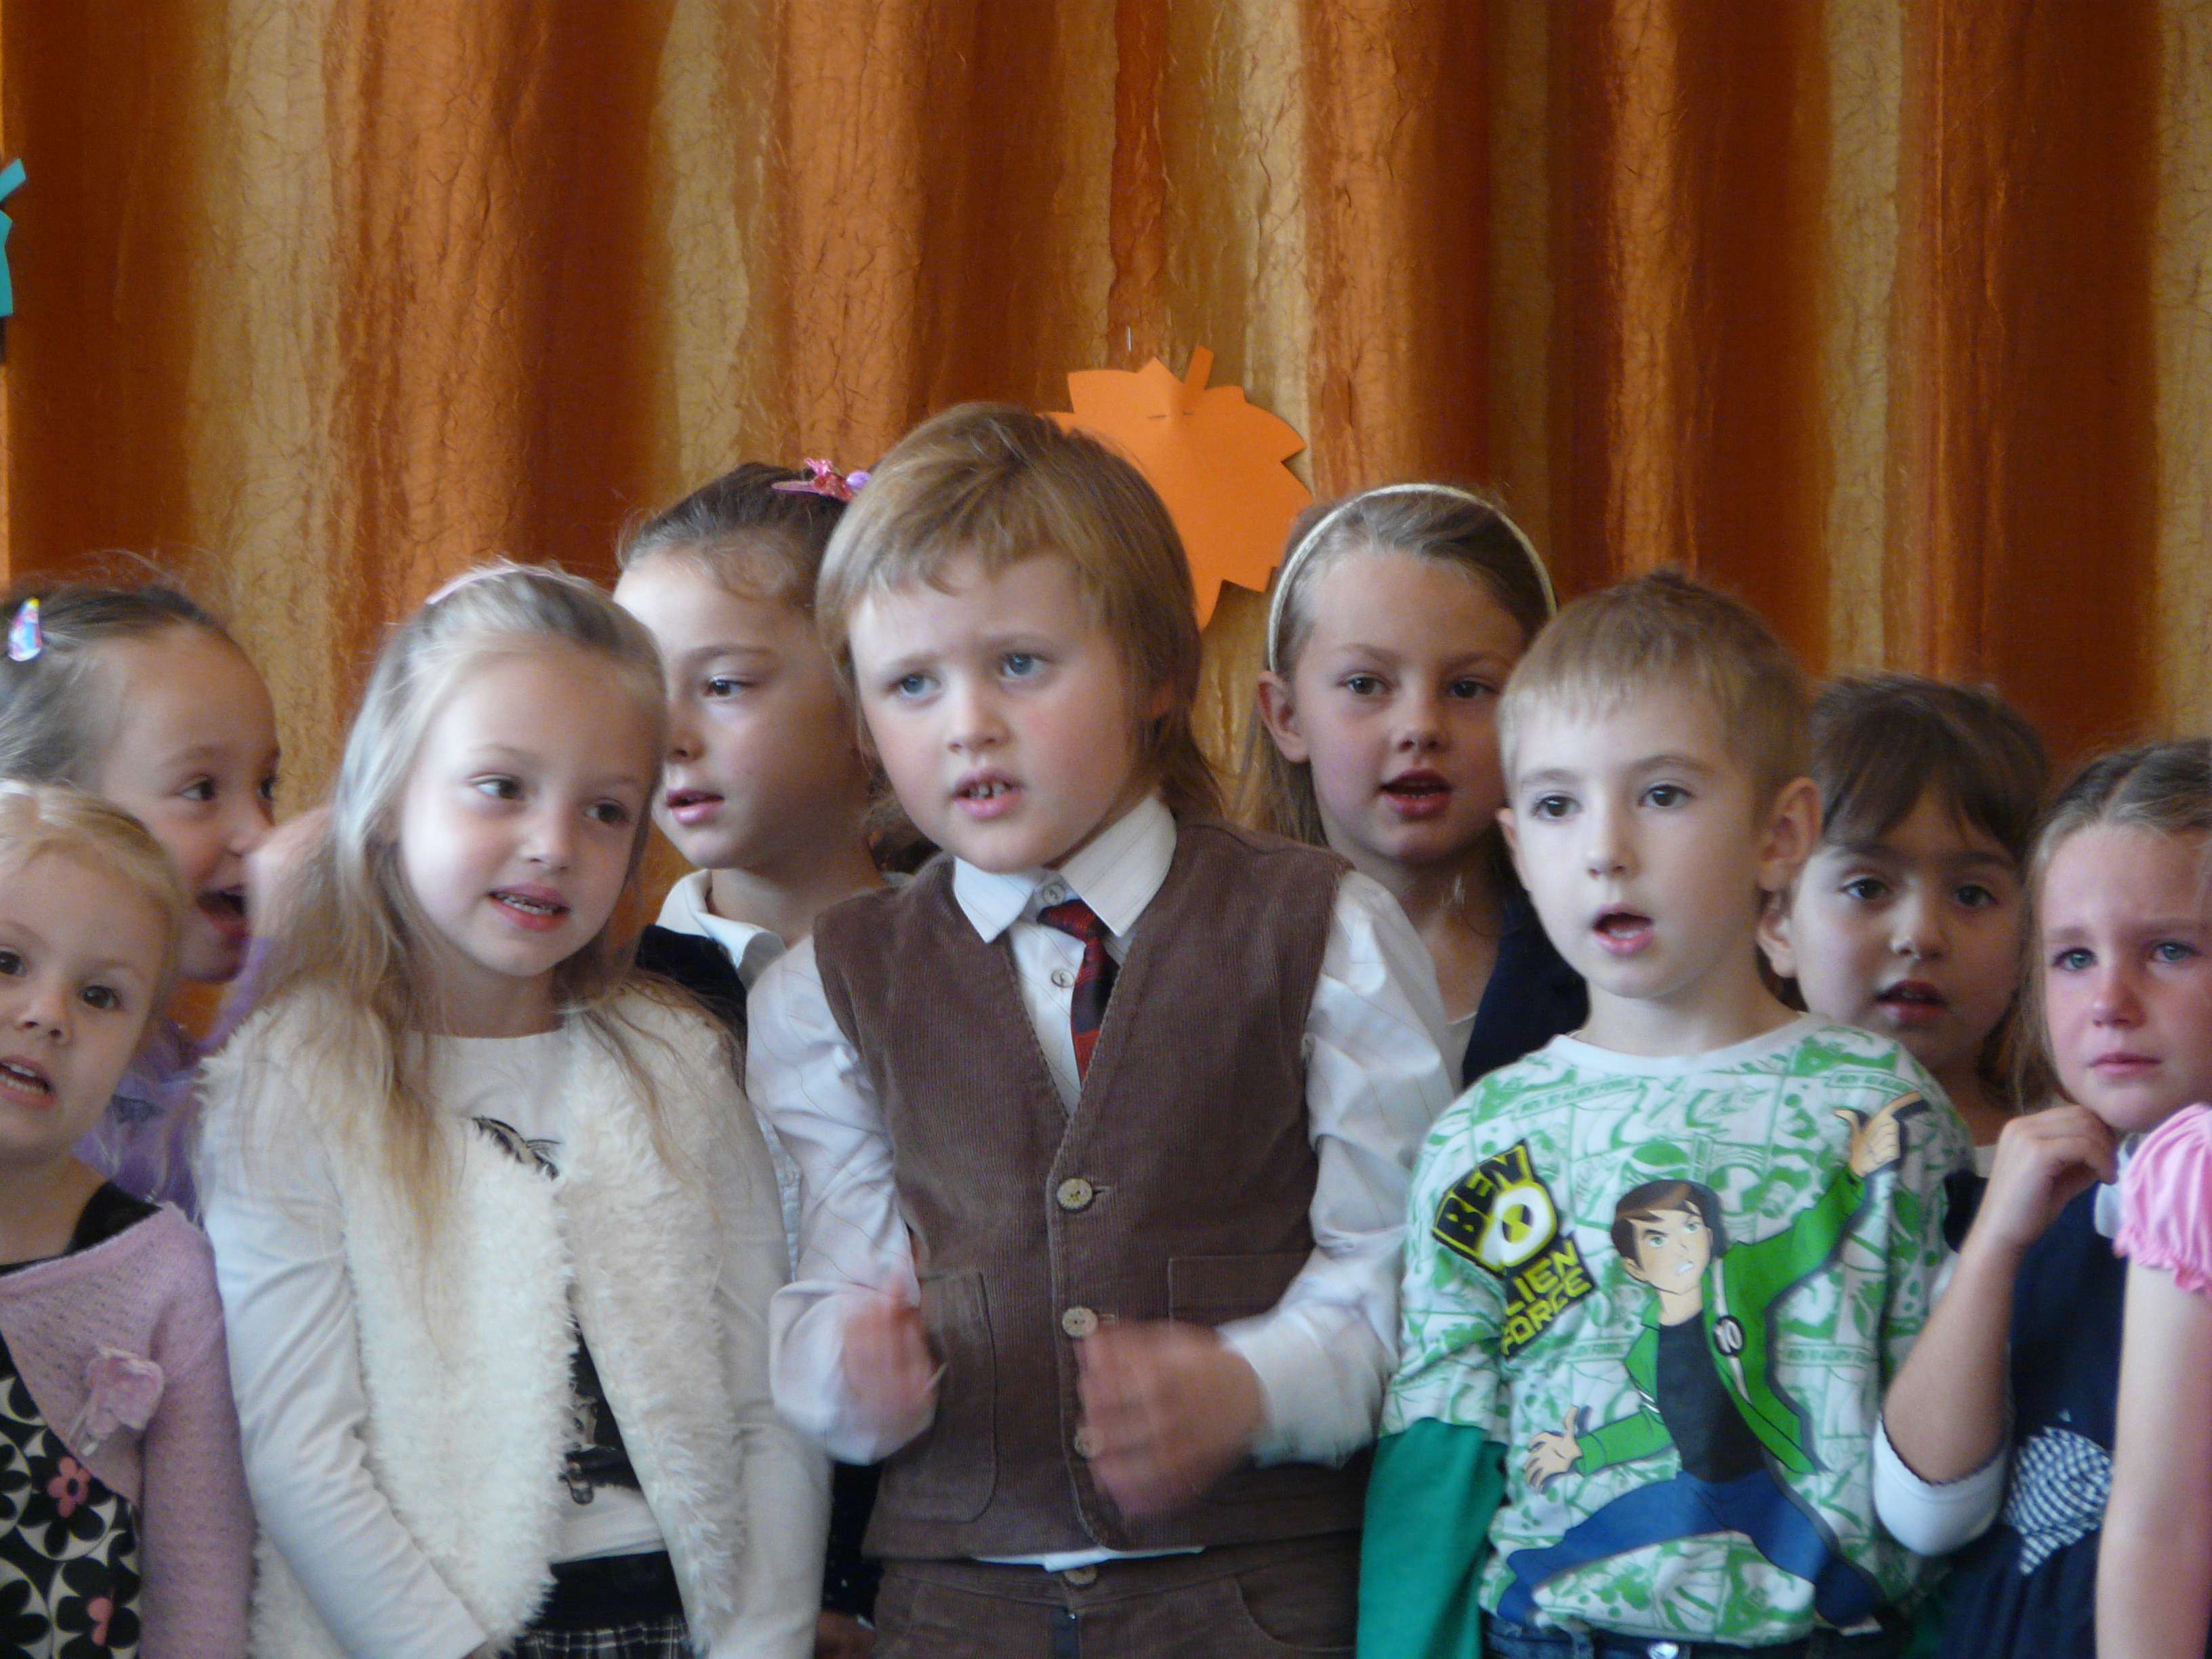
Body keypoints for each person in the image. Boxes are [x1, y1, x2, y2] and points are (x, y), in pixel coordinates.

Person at [746, 405, 1454, 1656]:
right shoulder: (826, 986)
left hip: (1258, 1602)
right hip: (959, 1613)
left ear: (1157, 673)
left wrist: (1252, 1386)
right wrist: (846, 1379)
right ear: (862, 720)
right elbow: (837, 1280)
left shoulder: (1325, 929)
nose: (967, 722)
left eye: (1020, 664)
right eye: (912, 684)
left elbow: (1405, 1268)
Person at [198, 564, 827, 1658]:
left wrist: (762, 1640)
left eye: (604, 809)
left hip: (683, 1621)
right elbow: (301, 1453)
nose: (553, 843)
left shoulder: (676, 1062)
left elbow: (768, 1403)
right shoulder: (290, 1080)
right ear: (388, 794)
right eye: (501, 786)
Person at [1364, 571, 1969, 1658]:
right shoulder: (1484, 1135)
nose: (1606, 849)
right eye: (1557, 805)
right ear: (1517, 847)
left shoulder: (1878, 1105)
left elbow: (1952, 1424)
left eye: (1662, 794)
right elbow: (1443, 1439)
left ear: (1781, 834)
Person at [614, 458, 890, 1656]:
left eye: (724, 684)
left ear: (869, 695)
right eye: (641, 691)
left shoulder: (982, 971)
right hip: (699, 1589)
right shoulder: (612, 996)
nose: (670, 736)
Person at [1879, 738, 2212, 1658]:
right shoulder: (2032, 1207)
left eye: (2169, 950)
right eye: (2072, 958)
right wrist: (1995, 1243)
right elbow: (1925, 1509)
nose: (2109, 1000)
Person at [0, 781, 253, 1658]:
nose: (47, 1015)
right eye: (7, 961)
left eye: (100, 996)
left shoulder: (164, 1275)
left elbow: (200, 1594)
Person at [1250, 483, 1584, 1085]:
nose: (1421, 727)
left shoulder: (1604, 968)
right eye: (1365, 685)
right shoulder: (1220, 969)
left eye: (1467, 688)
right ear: (1288, 716)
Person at [0, 579, 280, 1210]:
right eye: (202, 790)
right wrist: (275, 972)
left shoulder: (160, 1052)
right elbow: (200, 1176)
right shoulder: (40, 1055)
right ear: (54, 811)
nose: (261, 833)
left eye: (267, 785)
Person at [1761, 674, 2049, 1164]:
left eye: (1972, 895)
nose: (1921, 935)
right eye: (1867, 888)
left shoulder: (2082, 1162)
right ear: (1777, 923)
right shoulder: (1735, 1147)